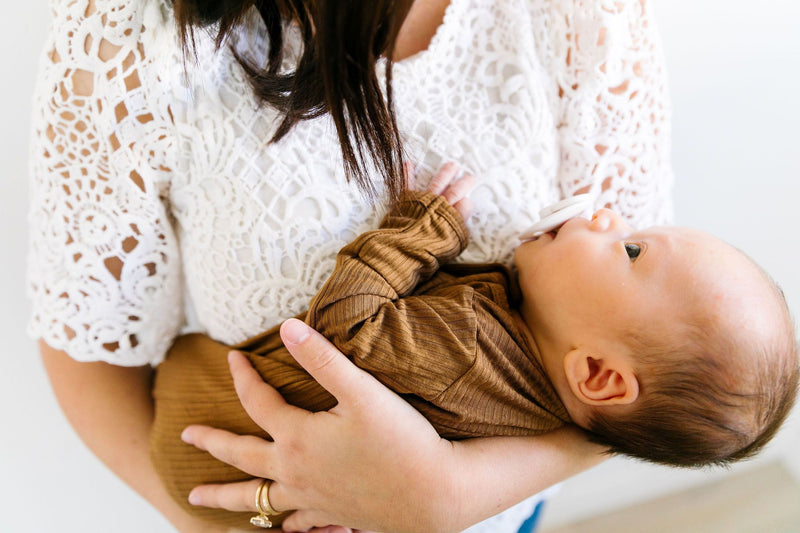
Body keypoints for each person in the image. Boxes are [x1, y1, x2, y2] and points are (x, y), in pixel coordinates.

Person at [28, 0, 682, 531]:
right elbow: (88, 336)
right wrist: (214, 522)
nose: (608, 229)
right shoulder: (126, 32)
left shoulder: (588, 15)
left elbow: (654, 367)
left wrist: (451, 494)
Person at [149, 165, 798, 529]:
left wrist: (422, 227)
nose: (607, 215)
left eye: (631, 249)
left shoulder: (466, 349)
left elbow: (347, 326)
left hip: (199, 422)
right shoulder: (538, 389)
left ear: (597, 374)